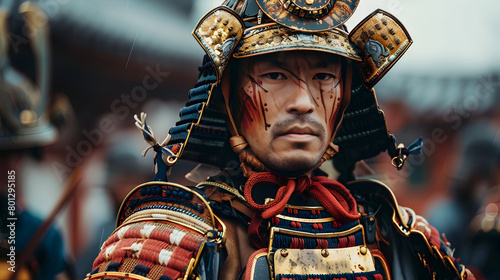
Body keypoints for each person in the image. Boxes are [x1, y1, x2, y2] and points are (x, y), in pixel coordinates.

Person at [87, 1, 476, 279]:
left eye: (324, 76)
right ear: (227, 92)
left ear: (345, 95)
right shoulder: (170, 240)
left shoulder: (400, 235)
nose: (304, 103)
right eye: (274, 75)